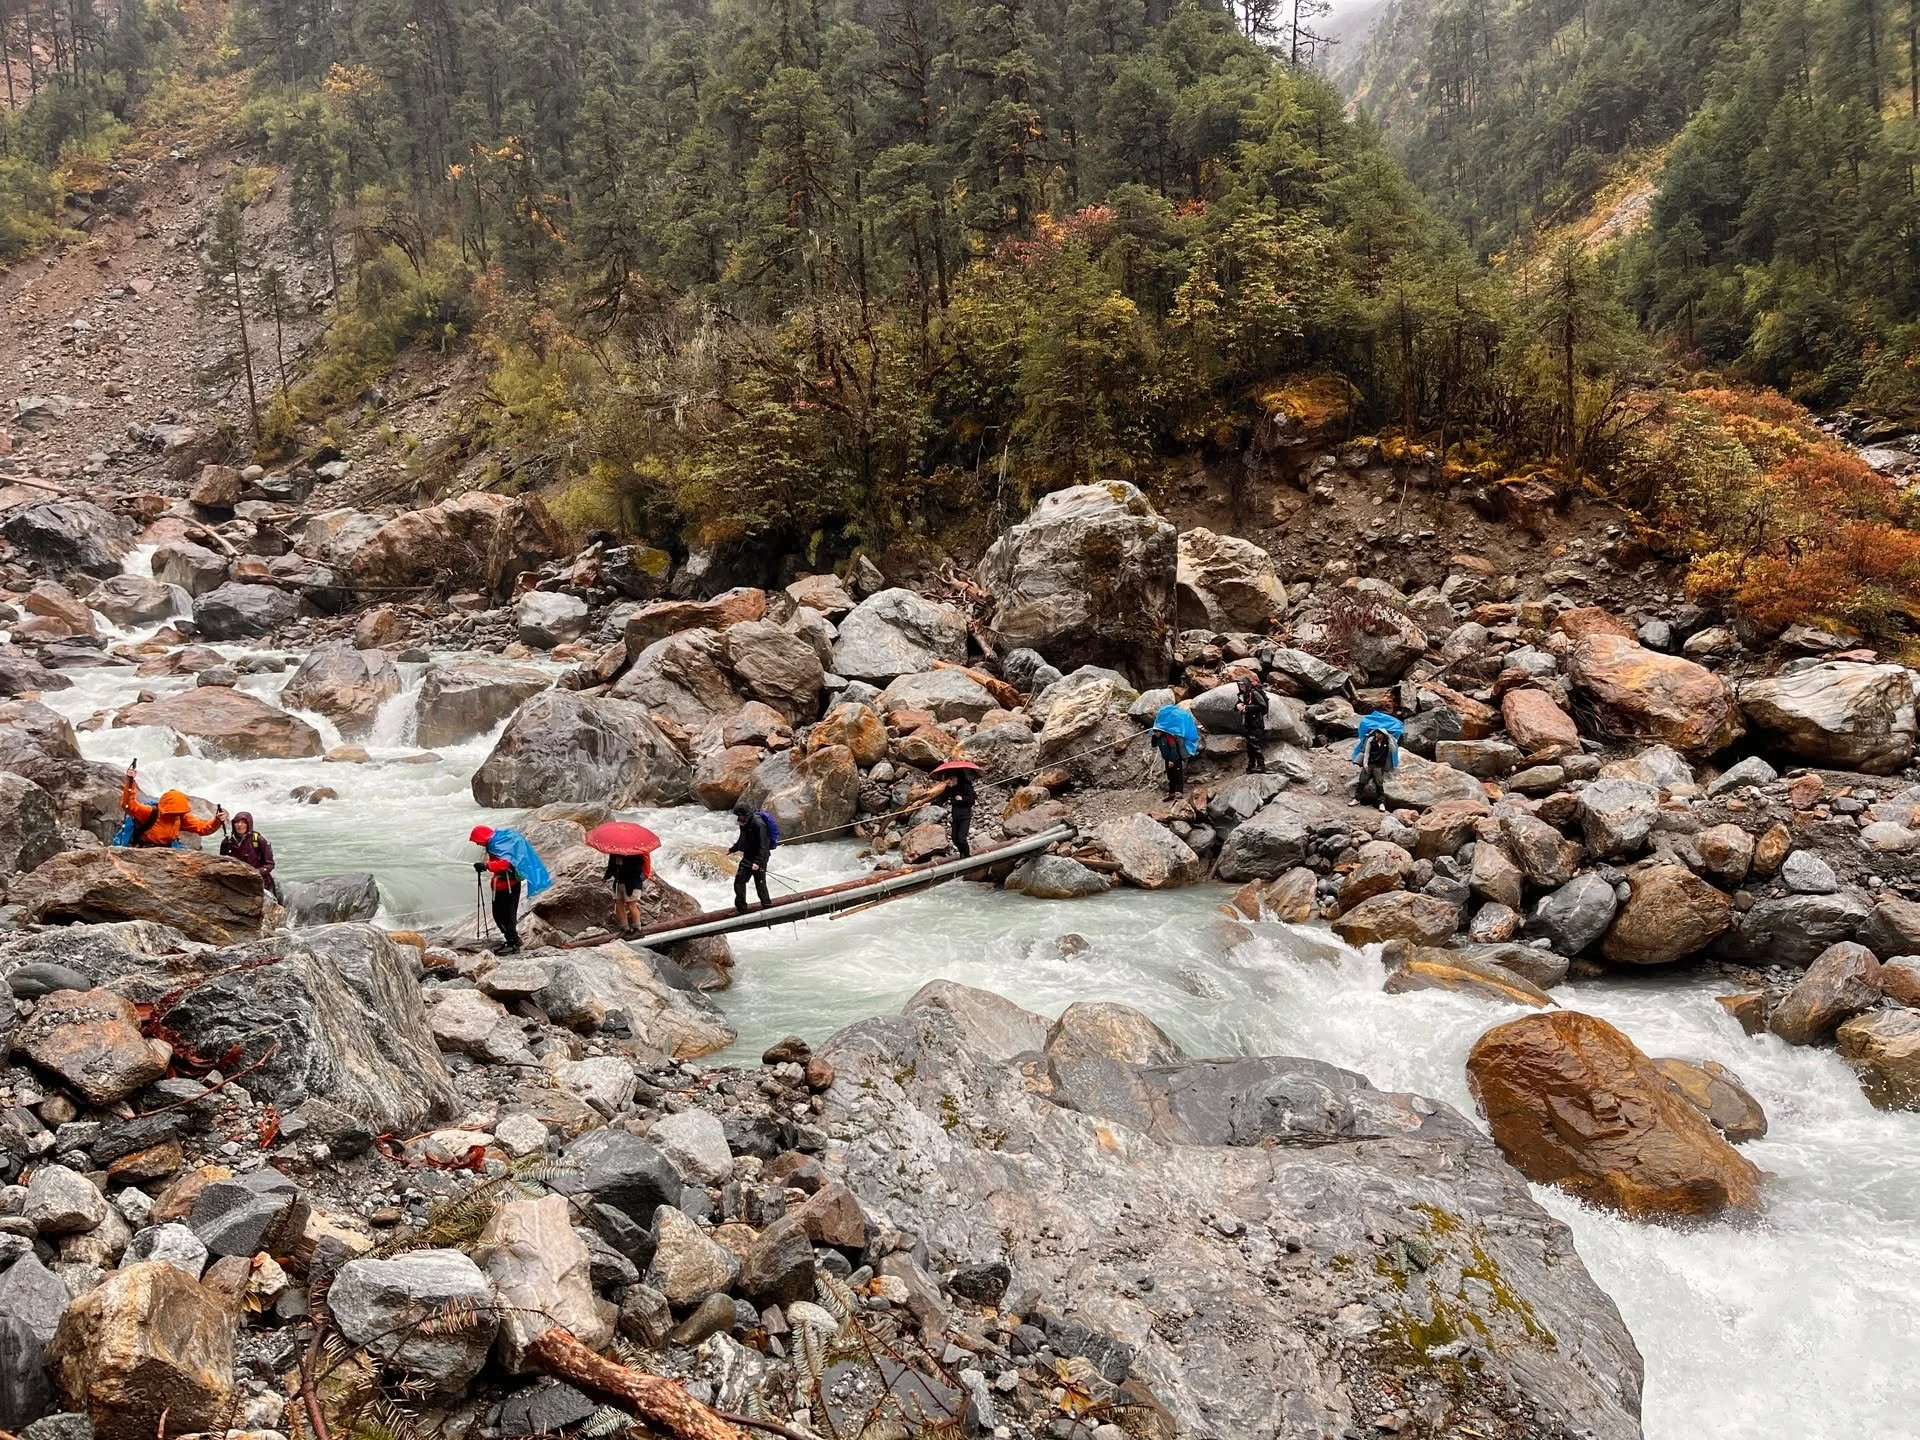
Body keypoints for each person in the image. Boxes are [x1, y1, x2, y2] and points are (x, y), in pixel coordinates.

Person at [118, 763, 225, 848]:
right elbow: (128, 805)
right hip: (145, 848)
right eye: (173, 813)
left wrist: (217, 820)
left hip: (168, 849)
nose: (175, 815)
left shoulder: (181, 816)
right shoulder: (150, 812)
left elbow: (203, 829)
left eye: (178, 812)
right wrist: (130, 782)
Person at [1350, 709, 1403, 808]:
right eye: (1376, 733)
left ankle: (1381, 803)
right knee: (1362, 782)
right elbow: (1366, 753)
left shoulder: (1387, 743)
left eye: (1379, 733)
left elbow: (1393, 750)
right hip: (1370, 764)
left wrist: (1390, 739)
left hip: (1379, 766)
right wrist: (1365, 763)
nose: (1377, 735)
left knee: (1379, 784)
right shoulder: (1370, 740)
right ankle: (1356, 799)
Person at [729, 803, 774, 913]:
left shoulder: (759, 824)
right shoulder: (744, 823)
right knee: (739, 881)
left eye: (739, 816)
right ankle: (741, 907)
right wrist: (733, 849)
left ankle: (766, 904)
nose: (738, 818)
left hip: (759, 857)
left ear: (745, 815)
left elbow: (764, 846)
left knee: (760, 881)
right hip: (748, 855)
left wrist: (758, 862)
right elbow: (742, 839)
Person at [1149, 703, 1200, 799]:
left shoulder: (1168, 736)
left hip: (1175, 759)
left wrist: (1172, 760)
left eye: (1156, 732)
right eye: (1154, 732)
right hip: (1167, 759)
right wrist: (1153, 737)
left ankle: (1179, 792)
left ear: (1160, 731)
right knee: (1170, 776)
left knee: (1178, 775)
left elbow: (1173, 748)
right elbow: (1153, 745)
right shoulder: (1157, 738)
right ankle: (1171, 793)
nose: (1155, 733)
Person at [220, 812, 277, 895]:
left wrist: (255, 872)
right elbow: (222, 863)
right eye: (237, 822)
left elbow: (269, 864)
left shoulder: (259, 840)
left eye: (243, 822)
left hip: (261, 884)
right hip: (237, 884)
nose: (239, 825)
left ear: (249, 824)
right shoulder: (227, 842)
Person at [477, 854, 523, 953]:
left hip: (509, 887)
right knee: (498, 915)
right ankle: (510, 939)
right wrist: (487, 865)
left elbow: (506, 863)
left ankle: (513, 943)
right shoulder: (495, 846)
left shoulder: (503, 845)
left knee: (507, 915)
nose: (478, 844)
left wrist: (486, 866)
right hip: (500, 886)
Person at [604, 848, 650, 934]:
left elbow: (638, 867)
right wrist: (606, 876)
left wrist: (623, 864)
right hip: (618, 881)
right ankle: (625, 929)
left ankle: (637, 929)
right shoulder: (614, 852)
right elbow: (611, 865)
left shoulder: (636, 852)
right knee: (618, 904)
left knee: (631, 905)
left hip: (632, 882)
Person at [1236, 673, 1270, 774]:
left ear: (1247, 684)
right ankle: (1251, 765)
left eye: (1243, 685)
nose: (1241, 687)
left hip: (1256, 723)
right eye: (1240, 685)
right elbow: (1236, 706)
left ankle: (1261, 765)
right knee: (1249, 745)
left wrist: (1247, 707)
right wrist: (1237, 706)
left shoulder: (1254, 693)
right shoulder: (1243, 695)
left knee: (1255, 744)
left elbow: (1262, 707)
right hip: (1247, 723)